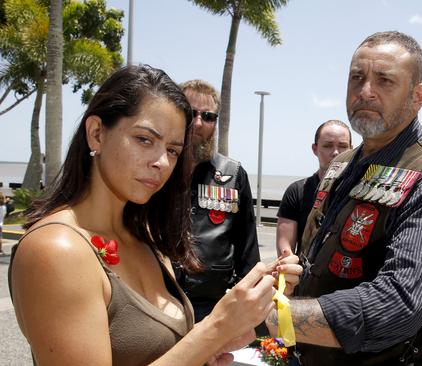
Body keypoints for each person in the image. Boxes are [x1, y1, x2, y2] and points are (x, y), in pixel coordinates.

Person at [8, 65, 285, 365]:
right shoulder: (56, 249)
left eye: (173, 150)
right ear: (96, 134)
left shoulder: (146, 238)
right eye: (144, 139)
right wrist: (214, 330)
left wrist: (206, 350)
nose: (161, 162)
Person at [265, 31, 422, 365]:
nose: (365, 92)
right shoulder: (342, 164)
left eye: (384, 81)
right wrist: (296, 275)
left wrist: (274, 317)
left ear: (417, 96)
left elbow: (398, 304)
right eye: (357, 78)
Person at [174, 79, 263, 322]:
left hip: (213, 307)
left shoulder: (233, 174)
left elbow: (247, 248)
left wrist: (249, 307)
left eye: (208, 116)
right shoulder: (155, 170)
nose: (198, 123)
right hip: (159, 300)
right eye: (189, 113)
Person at [276, 120, 352, 256]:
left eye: (342, 146)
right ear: (315, 149)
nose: (335, 153)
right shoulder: (297, 191)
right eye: (328, 146)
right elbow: (285, 247)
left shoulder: (359, 191)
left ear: (351, 150)